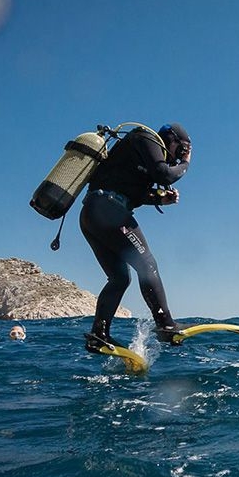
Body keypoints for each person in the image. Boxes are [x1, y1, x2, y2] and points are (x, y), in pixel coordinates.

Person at [80, 123, 191, 352]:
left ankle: (98, 334)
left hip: (92, 213)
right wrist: (185, 164)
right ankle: (166, 324)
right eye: (180, 149)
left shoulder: (135, 156)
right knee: (147, 264)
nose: (178, 155)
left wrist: (161, 199)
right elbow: (164, 173)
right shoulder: (146, 138)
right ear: (170, 139)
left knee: (119, 278)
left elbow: (134, 192)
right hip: (108, 211)